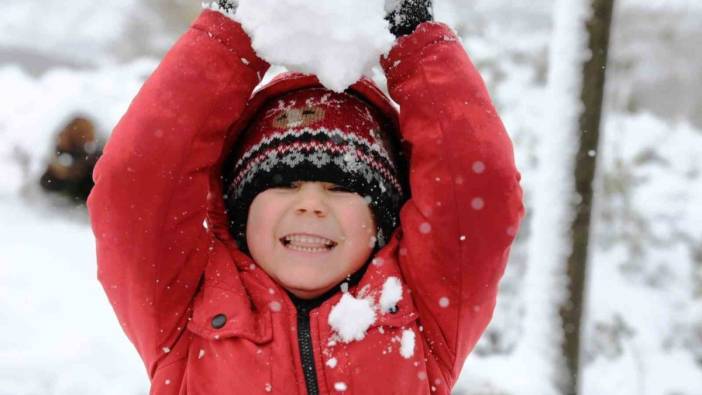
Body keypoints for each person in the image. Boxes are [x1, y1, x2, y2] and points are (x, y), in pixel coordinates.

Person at [87, 0, 525, 393]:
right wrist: (236, 26)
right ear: (241, 210)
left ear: (381, 220)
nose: (311, 205)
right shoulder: (185, 313)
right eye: (282, 184)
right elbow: (137, 181)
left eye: (341, 187)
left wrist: (411, 32)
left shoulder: (424, 311)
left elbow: (475, 184)